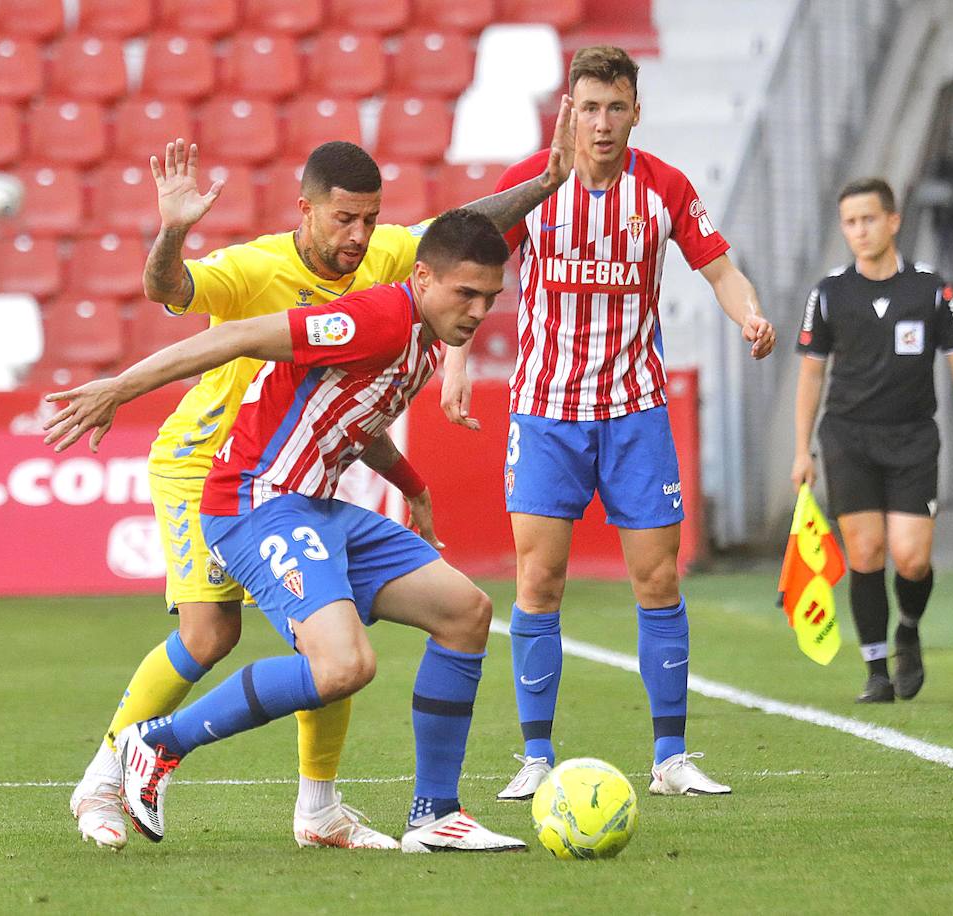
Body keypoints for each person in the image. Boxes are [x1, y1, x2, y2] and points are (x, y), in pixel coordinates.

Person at [70, 104, 575, 850]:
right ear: (306, 209)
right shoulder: (313, 292)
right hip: (234, 478)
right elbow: (198, 310)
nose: (360, 237)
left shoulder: (408, 285)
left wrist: (547, 180)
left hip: (307, 491)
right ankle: (134, 754)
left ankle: (419, 813)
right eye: (344, 220)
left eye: (371, 222)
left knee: (464, 613)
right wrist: (119, 385)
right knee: (230, 638)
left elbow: (460, 228)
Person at [440, 46, 777, 801]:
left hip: (635, 411)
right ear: (569, 109)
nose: (601, 122)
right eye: (588, 107)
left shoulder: (665, 189)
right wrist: (455, 360)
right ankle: (535, 756)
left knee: (657, 578)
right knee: (539, 578)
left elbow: (719, 268)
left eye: (615, 107)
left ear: (636, 109)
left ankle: (670, 757)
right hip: (546, 408)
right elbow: (469, 271)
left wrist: (750, 314)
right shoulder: (529, 185)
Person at [790, 177, 953, 703]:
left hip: (912, 438)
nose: (859, 231)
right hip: (848, 437)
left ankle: (907, 628)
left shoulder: (932, 290)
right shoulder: (829, 293)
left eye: (869, 219)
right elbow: (811, 374)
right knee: (865, 552)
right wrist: (803, 449)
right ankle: (875, 670)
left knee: (910, 558)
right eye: (850, 222)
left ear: (893, 221)